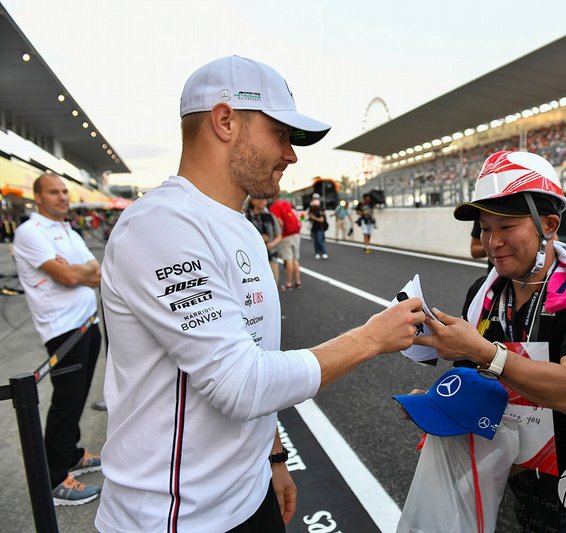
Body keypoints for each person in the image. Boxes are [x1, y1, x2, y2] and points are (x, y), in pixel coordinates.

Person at [95, 55, 425, 533]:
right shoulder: (160, 224)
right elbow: (241, 383)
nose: (292, 155)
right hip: (177, 518)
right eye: (282, 134)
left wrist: (272, 456)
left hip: (248, 495)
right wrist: (371, 338)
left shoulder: (243, 227)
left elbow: (255, 352)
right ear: (225, 121)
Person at [412, 151, 566, 532]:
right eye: (484, 228)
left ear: (550, 224)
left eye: (506, 226)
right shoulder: (484, 291)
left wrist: (479, 349)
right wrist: (437, 406)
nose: (492, 242)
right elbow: (472, 375)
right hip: (497, 463)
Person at [12, 173, 102, 506]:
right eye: (54, 192)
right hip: (62, 330)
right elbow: (66, 276)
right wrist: (77, 272)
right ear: (38, 197)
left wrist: (80, 271)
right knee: (66, 401)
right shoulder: (29, 232)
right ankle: (53, 479)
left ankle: (70, 454)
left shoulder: (67, 229)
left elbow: (96, 271)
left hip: (87, 324)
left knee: (78, 397)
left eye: (65, 191)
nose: (63, 197)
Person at [246, 197, 282, 282]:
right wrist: (259, 239)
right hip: (253, 258)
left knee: (274, 284)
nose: (262, 201)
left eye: (264, 199)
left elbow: (279, 236)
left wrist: (271, 244)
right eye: (259, 198)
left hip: (271, 256)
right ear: (252, 201)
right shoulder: (246, 217)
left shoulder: (270, 217)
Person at [270, 196, 302, 290]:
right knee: (295, 259)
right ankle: (298, 281)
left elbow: (279, 222)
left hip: (286, 236)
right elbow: (298, 216)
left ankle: (288, 283)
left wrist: (280, 232)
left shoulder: (274, 207)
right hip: (296, 234)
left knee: (288, 259)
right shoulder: (287, 204)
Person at [307, 193, 328, 259]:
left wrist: (313, 218)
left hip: (320, 227)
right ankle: (317, 253)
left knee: (320, 240)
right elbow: (307, 217)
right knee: (315, 241)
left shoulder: (321, 209)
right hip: (313, 228)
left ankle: (324, 252)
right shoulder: (310, 209)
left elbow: (322, 220)